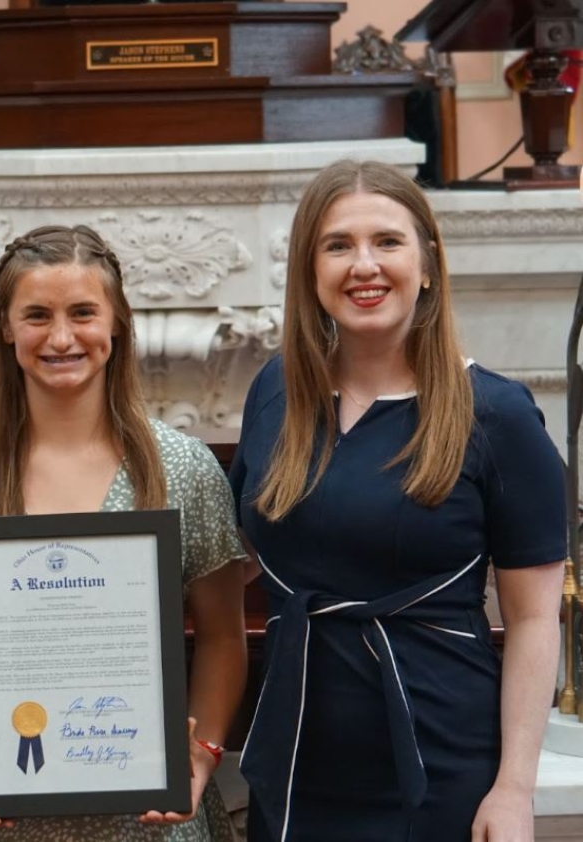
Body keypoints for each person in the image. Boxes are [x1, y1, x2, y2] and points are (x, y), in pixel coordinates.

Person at [228, 159, 565, 842]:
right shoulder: (276, 392)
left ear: (429, 263)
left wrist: (514, 790)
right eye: (337, 245)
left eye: (387, 241)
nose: (364, 265)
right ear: (308, 270)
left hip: (439, 761)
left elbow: (533, 621)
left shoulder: (496, 415)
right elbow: (238, 558)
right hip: (300, 760)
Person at [0, 224, 247, 842]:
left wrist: (203, 749)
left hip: (146, 820)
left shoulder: (183, 469)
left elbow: (224, 636)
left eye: (83, 313)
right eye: (36, 315)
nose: (62, 337)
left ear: (116, 322)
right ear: (6, 327)